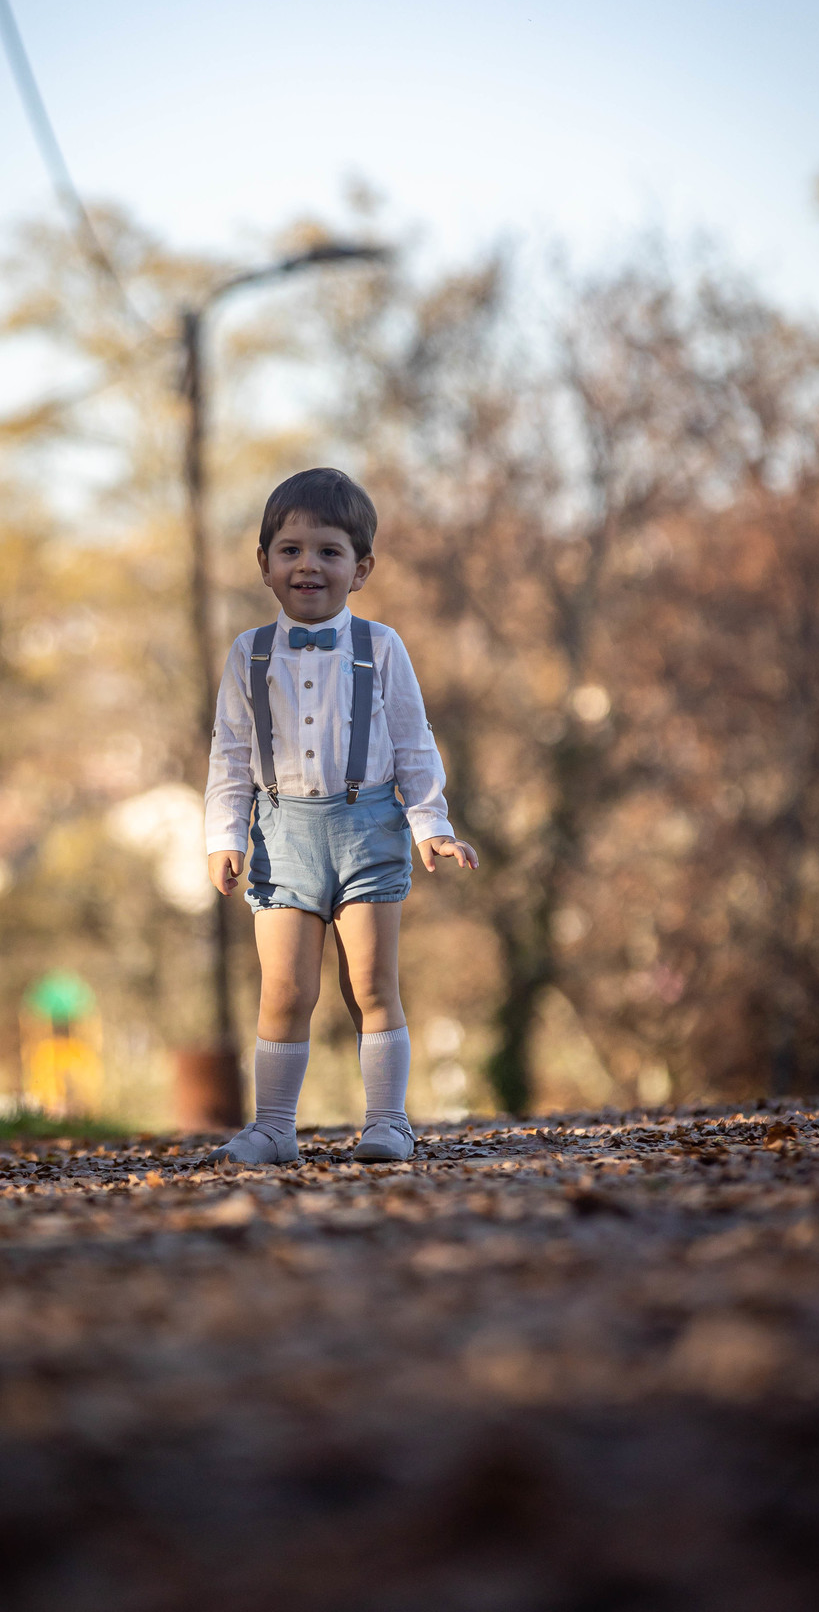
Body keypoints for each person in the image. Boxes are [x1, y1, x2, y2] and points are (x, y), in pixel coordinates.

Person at [205, 467, 477, 1164]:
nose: (308, 565)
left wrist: (432, 825)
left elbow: (413, 742)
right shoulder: (247, 654)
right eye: (291, 550)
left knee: (371, 985)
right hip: (282, 838)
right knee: (285, 990)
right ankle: (273, 1128)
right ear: (264, 564)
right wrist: (224, 836)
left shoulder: (381, 647)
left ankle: (389, 1122)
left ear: (360, 569)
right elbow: (229, 755)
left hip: (367, 832)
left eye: (328, 551)